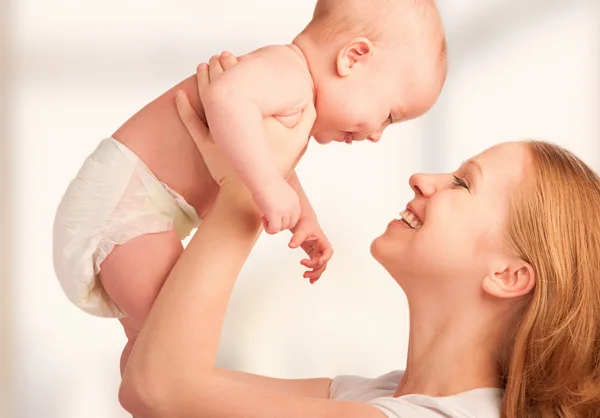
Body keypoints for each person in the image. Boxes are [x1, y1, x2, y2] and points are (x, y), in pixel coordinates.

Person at [119, 57, 600, 417]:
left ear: (509, 275)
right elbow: (154, 383)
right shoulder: (375, 396)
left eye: (463, 183)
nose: (422, 178)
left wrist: (247, 190)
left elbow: (160, 388)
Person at [52, 0, 446, 376]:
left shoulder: (289, 93)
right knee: (176, 338)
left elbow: (263, 157)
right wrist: (267, 187)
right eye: (390, 116)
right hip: (127, 205)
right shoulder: (287, 72)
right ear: (353, 57)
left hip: (137, 212)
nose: (377, 135)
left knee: (155, 352)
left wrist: (304, 219)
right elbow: (227, 97)